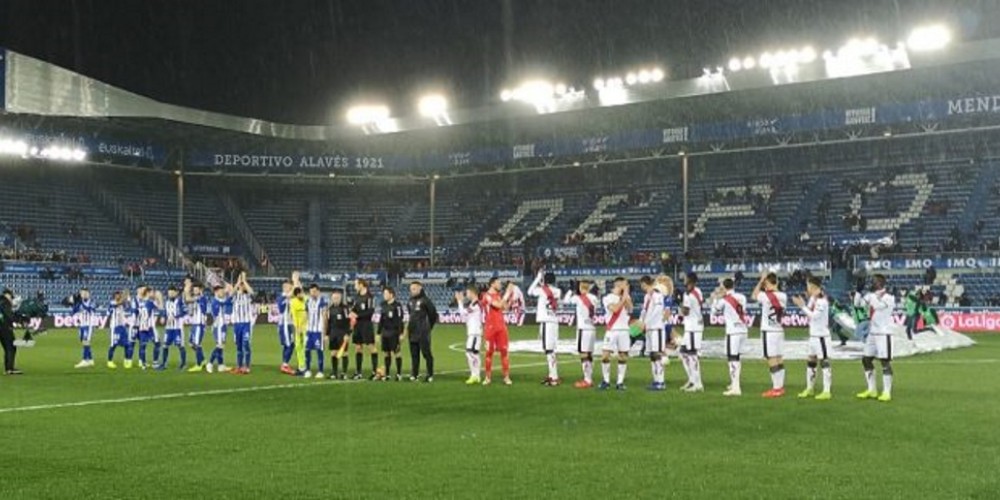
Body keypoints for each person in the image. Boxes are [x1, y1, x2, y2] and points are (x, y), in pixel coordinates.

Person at [856, 274, 896, 402]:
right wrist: (858, 291)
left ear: (880, 283)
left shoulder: (889, 298)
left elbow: (878, 306)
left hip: (884, 333)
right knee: (866, 360)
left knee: (884, 362)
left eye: (873, 281)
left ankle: (886, 392)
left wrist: (871, 296)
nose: (871, 283)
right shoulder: (871, 295)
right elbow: (858, 304)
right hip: (873, 333)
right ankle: (871, 389)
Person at [792, 277, 832, 400]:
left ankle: (826, 391)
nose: (807, 288)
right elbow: (809, 311)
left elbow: (814, 316)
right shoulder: (813, 299)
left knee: (824, 362)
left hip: (822, 337)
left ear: (813, 286)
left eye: (808, 285)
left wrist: (801, 306)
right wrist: (803, 304)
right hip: (813, 336)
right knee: (811, 362)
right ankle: (810, 388)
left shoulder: (822, 301)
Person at [710, 278, 748, 396]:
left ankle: (736, 388)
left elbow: (714, 312)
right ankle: (734, 383)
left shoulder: (724, 300)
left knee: (732, 358)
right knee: (737, 357)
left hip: (733, 331)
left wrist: (716, 298)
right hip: (742, 329)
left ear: (724, 287)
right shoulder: (742, 297)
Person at [752, 272, 788, 398]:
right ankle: (781, 386)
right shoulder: (784, 296)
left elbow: (754, 295)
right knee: (779, 358)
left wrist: (760, 281)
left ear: (767, 283)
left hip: (769, 331)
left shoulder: (765, 296)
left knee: (771, 358)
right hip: (779, 330)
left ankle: (776, 388)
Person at [561, 279, 598, 389]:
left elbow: (565, 301)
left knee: (583, 354)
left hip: (583, 328)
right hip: (592, 327)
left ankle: (587, 379)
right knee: (589, 354)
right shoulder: (594, 298)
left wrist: (571, 290)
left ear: (581, 287)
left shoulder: (578, 298)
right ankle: (589, 377)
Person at [527, 269, 561, 386]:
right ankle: (552, 375)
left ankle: (554, 377)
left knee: (549, 350)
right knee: (551, 349)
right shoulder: (558, 291)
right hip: (554, 321)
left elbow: (530, 291)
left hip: (546, 322)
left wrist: (537, 278)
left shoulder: (542, 290)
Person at [599, 277, 633, 391]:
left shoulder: (626, 297)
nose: (626, 286)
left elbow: (630, 309)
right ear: (618, 284)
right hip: (612, 330)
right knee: (605, 356)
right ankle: (606, 381)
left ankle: (620, 382)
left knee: (623, 356)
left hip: (624, 330)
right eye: (624, 284)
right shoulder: (607, 298)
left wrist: (626, 297)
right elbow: (614, 309)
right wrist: (623, 298)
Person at [482, 278, 514, 386]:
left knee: (504, 352)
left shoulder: (499, 296)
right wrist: (507, 293)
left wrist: (509, 297)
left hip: (501, 327)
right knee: (489, 353)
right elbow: (498, 305)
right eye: (498, 283)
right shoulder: (486, 296)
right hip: (490, 328)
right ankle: (487, 377)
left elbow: (505, 307)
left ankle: (506, 377)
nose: (500, 285)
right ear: (492, 284)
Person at [639, 276, 668, 391]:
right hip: (649, 329)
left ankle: (661, 381)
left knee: (657, 354)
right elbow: (644, 310)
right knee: (652, 354)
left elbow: (657, 311)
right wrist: (641, 321)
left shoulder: (657, 295)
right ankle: (656, 380)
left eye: (642, 284)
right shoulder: (647, 296)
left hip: (657, 328)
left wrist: (646, 322)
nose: (641, 287)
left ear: (645, 284)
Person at [406, 281, 438, 382]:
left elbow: (433, 314)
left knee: (426, 353)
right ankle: (414, 374)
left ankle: (430, 374)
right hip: (412, 332)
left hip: (423, 332)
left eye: (414, 289)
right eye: (411, 289)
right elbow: (411, 315)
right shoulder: (410, 301)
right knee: (414, 354)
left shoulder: (426, 300)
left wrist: (429, 327)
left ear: (420, 288)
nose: (412, 291)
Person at [678, 273, 705, 392]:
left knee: (692, 354)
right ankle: (692, 379)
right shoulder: (698, 291)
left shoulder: (688, 295)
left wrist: (678, 302)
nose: (683, 279)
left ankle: (698, 384)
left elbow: (685, 312)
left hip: (693, 327)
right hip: (692, 326)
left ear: (690, 280)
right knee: (683, 352)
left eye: (685, 278)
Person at [350, 279, 378, 380]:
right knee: (358, 347)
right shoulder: (356, 297)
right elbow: (353, 308)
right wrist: (352, 313)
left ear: (361, 285)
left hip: (367, 325)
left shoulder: (370, 297)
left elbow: (371, 312)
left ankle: (375, 372)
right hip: (358, 325)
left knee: (371, 347)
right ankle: (358, 372)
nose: (354, 287)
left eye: (355, 284)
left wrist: (357, 315)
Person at [456, 285, 484, 385]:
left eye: (467, 293)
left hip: (474, 333)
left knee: (469, 353)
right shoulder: (473, 304)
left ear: (472, 293)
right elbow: (466, 317)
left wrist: (459, 301)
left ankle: (474, 375)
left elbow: (463, 313)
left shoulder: (476, 304)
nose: (466, 295)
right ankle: (477, 376)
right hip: (474, 332)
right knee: (474, 354)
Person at [157, 286, 188, 371]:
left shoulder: (180, 301)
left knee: (180, 345)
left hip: (178, 328)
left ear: (176, 293)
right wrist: (163, 317)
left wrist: (175, 316)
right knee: (165, 345)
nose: (170, 294)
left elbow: (185, 312)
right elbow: (165, 312)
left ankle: (183, 364)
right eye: (169, 292)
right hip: (169, 328)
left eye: (172, 292)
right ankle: (164, 363)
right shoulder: (167, 302)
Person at [379, 286, 406, 381]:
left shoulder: (397, 306)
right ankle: (387, 374)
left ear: (391, 294)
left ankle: (399, 374)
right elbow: (381, 319)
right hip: (385, 332)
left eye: (386, 294)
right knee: (386, 353)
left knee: (396, 352)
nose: (384, 296)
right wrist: (378, 333)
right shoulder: (383, 305)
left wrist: (401, 333)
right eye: (384, 294)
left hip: (394, 332)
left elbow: (400, 320)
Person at [231, 272, 256, 374]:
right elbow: (231, 292)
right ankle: (239, 366)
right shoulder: (235, 296)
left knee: (246, 344)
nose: (241, 286)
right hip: (237, 324)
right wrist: (237, 282)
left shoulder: (248, 296)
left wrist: (244, 281)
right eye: (241, 285)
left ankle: (247, 366)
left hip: (246, 323)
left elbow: (252, 292)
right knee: (239, 345)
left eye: (243, 285)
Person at [303, 284, 328, 379]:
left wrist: (325, 333)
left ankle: (320, 371)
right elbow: (306, 315)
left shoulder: (322, 301)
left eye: (314, 291)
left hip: (319, 331)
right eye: (311, 291)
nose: (312, 293)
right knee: (307, 350)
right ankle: (308, 370)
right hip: (309, 330)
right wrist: (305, 328)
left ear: (318, 291)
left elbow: (325, 316)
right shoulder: (308, 301)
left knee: (319, 350)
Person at [207, 284, 233, 373]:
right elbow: (223, 303)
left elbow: (228, 302)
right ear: (216, 292)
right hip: (218, 326)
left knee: (222, 346)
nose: (223, 293)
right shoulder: (215, 302)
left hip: (223, 326)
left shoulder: (220, 300)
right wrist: (230, 292)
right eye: (221, 291)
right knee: (219, 345)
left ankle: (221, 365)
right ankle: (210, 363)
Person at [184, 280, 210, 372]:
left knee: (196, 344)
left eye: (196, 289)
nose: (195, 291)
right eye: (194, 289)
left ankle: (199, 364)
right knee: (191, 343)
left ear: (200, 290)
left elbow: (187, 299)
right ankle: (202, 360)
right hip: (194, 324)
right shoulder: (196, 298)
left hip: (199, 324)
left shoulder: (202, 298)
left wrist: (186, 288)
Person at [327, 288, 352, 379]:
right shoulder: (330, 309)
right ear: (332, 298)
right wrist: (327, 334)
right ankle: (334, 372)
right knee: (333, 353)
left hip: (342, 333)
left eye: (337, 298)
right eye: (334, 298)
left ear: (340, 298)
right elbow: (329, 323)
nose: (335, 299)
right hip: (333, 333)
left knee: (344, 353)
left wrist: (347, 334)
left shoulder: (345, 308)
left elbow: (349, 322)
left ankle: (344, 373)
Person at [105, 290, 133, 370]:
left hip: (122, 327)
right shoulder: (112, 303)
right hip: (114, 328)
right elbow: (118, 303)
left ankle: (126, 360)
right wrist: (125, 296)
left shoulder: (122, 304)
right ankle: (109, 361)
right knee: (113, 345)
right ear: (114, 296)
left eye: (119, 294)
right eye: (117, 294)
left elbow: (129, 308)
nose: (119, 296)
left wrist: (128, 300)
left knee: (127, 344)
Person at [71, 288, 98, 368]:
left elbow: (90, 310)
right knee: (84, 342)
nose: (84, 294)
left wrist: (80, 303)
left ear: (89, 294)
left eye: (85, 293)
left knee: (86, 341)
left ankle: (84, 360)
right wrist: (74, 304)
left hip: (89, 325)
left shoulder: (92, 302)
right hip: (81, 325)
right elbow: (73, 312)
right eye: (82, 293)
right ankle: (90, 359)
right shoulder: (80, 303)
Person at [135, 286, 160, 370]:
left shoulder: (141, 303)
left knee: (143, 346)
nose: (153, 294)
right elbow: (159, 309)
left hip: (141, 327)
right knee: (157, 343)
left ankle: (143, 364)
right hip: (150, 327)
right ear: (148, 293)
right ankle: (155, 363)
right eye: (152, 292)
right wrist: (159, 299)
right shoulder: (150, 302)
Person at [275, 279, 296, 375]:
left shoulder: (289, 297)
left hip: (289, 324)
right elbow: (292, 293)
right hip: (284, 324)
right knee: (290, 344)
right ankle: (285, 364)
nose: (288, 288)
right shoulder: (282, 297)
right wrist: (295, 280)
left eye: (288, 286)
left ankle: (284, 363)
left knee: (289, 344)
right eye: (286, 286)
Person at [1, 288, 21, 375]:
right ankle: (9, 369)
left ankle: (8, 368)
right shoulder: (5, 302)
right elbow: (9, 315)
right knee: (11, 347)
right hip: (4, 327)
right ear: (7, 295)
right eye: (11, 296)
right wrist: (17, 320)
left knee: (7, 347)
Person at [290, 286, 307, 373]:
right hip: (298, 328)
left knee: (305, 347)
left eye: (302, 293)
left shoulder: (306, 300)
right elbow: (293, 316)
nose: (302, 295)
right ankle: (301, 366)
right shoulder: (293, 302)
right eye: (300, 293)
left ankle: (305, 366)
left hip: (307, 328)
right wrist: (297, 328)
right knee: (298, 347)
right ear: (297, 295)